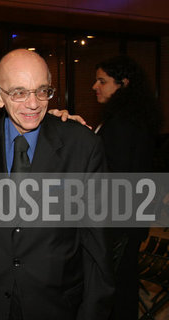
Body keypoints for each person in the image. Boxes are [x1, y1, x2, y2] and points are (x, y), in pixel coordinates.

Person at [0, 49, 114, 320]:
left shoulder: (82, 146)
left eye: (42, 91)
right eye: (19, 92)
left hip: (56, 305)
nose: (33, 104)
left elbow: (97, 246)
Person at [92, 55, 161, 320]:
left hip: (118, 221)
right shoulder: (133, 119)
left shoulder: (121, 123)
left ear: (124, 84)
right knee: (124, 286)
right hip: (132, 218)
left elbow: (113, 175)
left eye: (103, 81)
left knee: (115, 289)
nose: (95, 86)